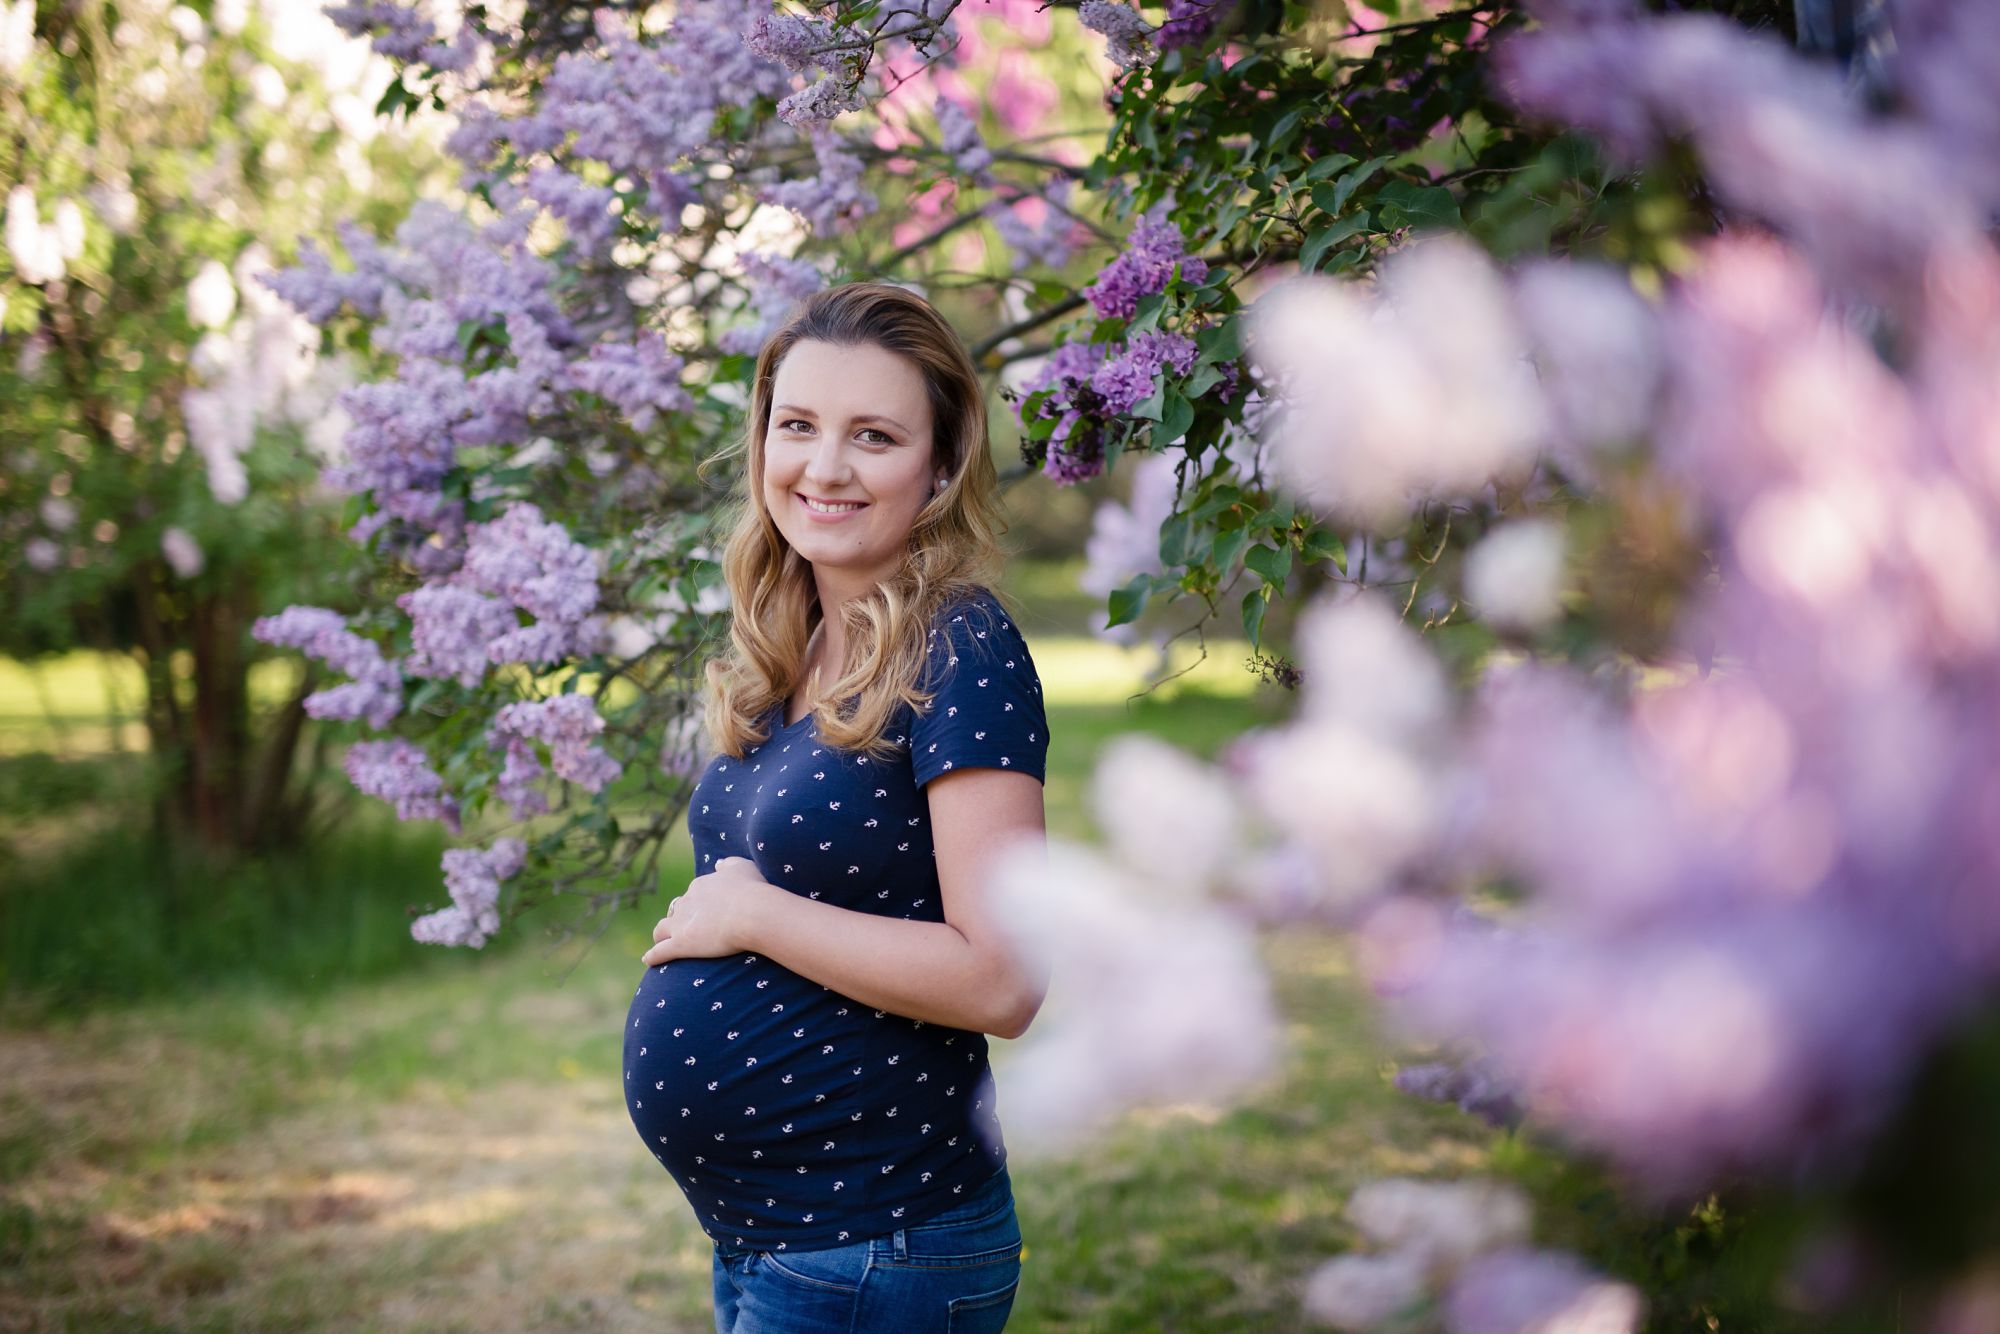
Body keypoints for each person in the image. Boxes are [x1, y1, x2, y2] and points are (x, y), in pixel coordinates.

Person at [623, 281, 1053, 1334]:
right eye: (797, 425)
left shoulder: (960, 645)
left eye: (872, 435)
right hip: (784, 1243)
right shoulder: (792, 639)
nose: (823, 467)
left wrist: (753, 916)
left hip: (878, 1244)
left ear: (941, 465)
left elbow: (1004, 978)